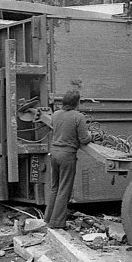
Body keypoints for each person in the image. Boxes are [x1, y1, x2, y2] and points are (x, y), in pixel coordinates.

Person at [43, 90, 92, 230]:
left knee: (55, 187)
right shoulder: (78, 117)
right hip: (67, 156)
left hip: (54, 153)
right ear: (77, 103)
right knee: (64, 189)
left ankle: (48, 218)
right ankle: (56, 223)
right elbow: (84, 139)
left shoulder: (56, 114)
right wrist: (91, 136)